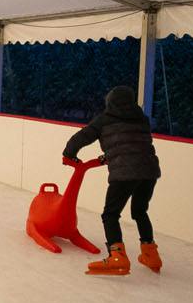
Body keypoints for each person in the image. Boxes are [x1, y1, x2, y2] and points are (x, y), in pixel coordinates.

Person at [63, 85, 163, 276]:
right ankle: (151, 254)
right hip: (149, 171)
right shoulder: (142, 119)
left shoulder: (104, 119)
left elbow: (81, 137)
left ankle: (117, 256)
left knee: (110, 214)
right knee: (140, 211)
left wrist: (69, 154)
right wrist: (108, 156)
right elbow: (132, 144)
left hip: (124, 173)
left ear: (109, 102)